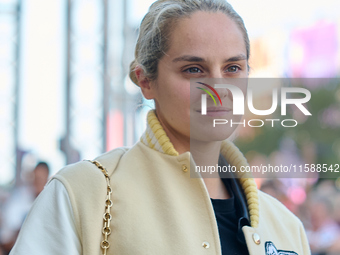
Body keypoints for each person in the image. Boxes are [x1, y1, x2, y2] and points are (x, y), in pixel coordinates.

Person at [10, 1, 310, 254]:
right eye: (194, 69)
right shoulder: (84, 194)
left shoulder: (285, 225)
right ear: (146, 81)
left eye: (233, 68)